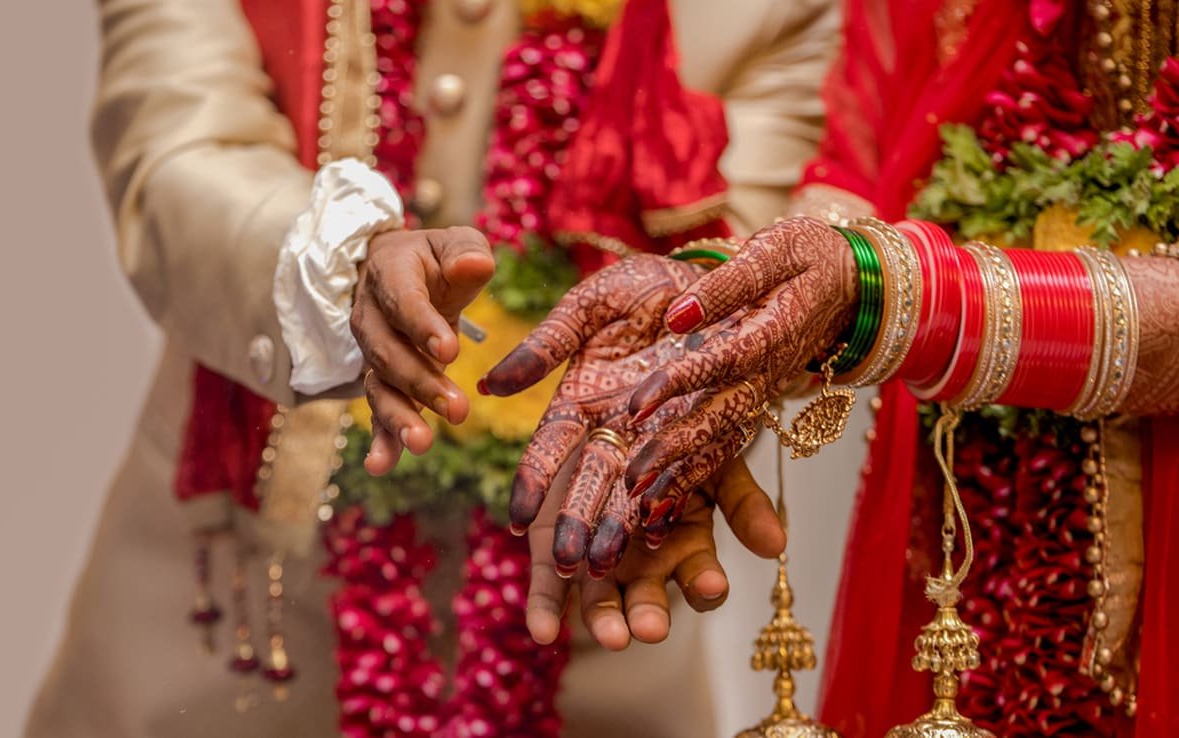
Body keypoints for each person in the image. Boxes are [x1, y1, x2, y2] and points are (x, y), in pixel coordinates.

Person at [25, 0, 841, 736]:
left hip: (603, 580)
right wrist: (342, 269)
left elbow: (759, 240)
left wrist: (679, 359)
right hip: (242, 597)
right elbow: (176, 149)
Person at [484, 1, 1179, 737]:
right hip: (984, 519)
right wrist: (708, 314)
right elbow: (853, 189)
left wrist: (890, 292)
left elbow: (862, 266)